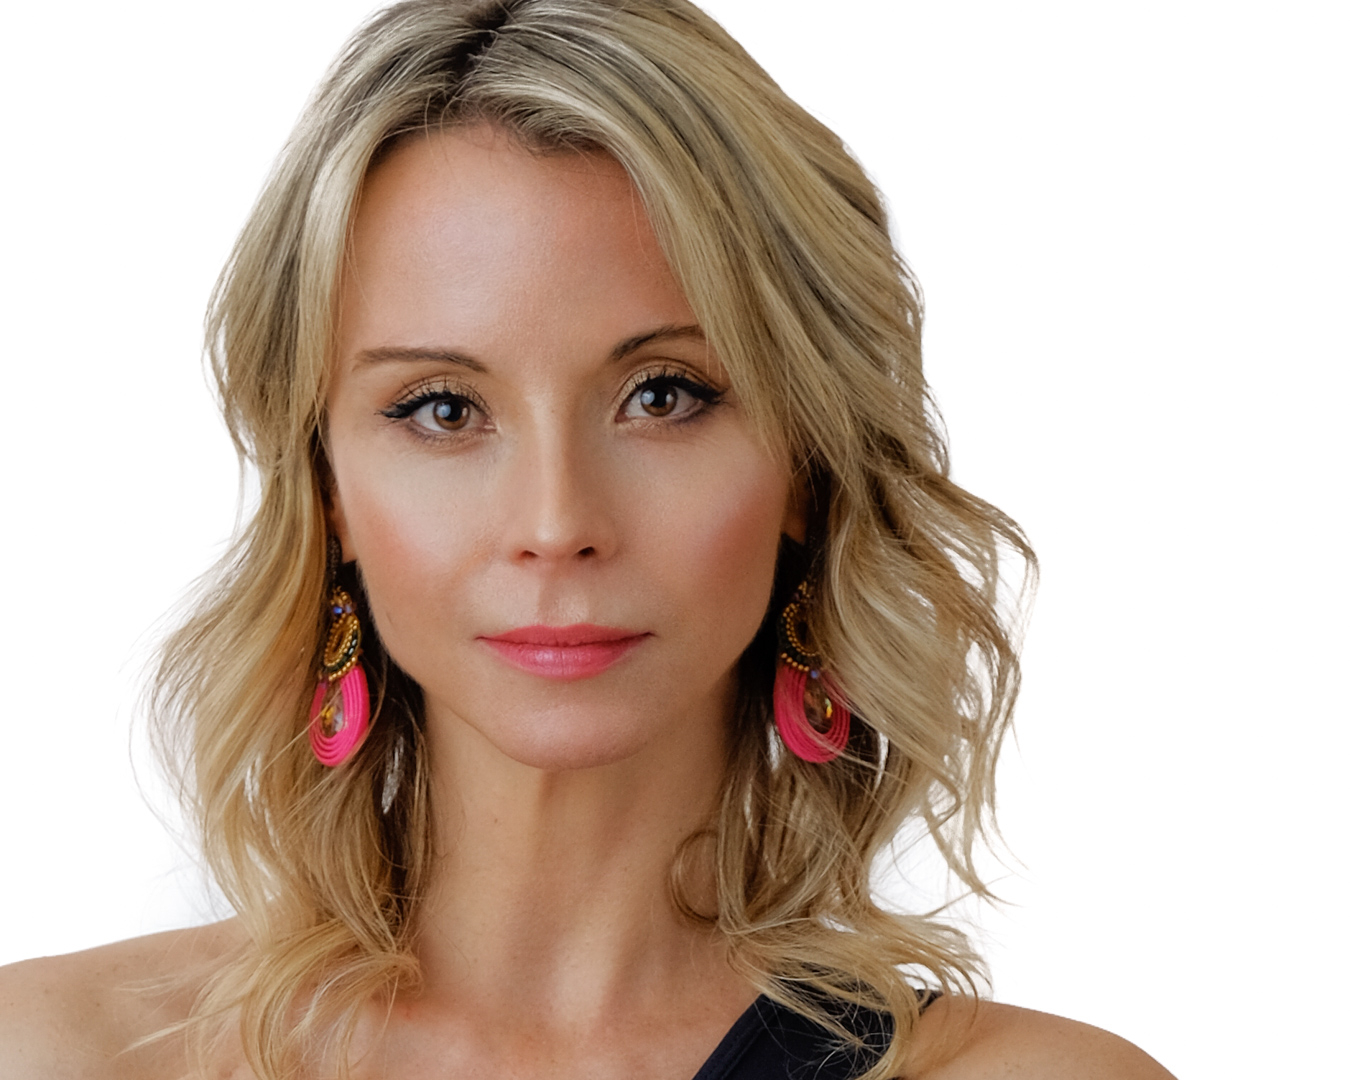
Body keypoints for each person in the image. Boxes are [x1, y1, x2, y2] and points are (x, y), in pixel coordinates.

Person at [0, 1, 1175, 1077]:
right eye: (442, 410)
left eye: (664, 395)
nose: (557, 525)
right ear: (328, 490)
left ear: (809, 464)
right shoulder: (57, 1053)